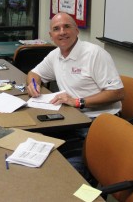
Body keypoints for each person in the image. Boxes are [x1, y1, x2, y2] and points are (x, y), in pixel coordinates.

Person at [26, 12, 124, 178]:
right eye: (56, 29)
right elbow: (34, 73)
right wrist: (33, 84)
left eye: (67, 26)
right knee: (32, 144)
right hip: (70, 118)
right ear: (51, 36)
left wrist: (78, 102)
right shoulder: (56, 54)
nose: (62, 32)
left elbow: (118, 92)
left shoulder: (94, 54)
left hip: (97, 121)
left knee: (71, 172)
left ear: (77, 30)